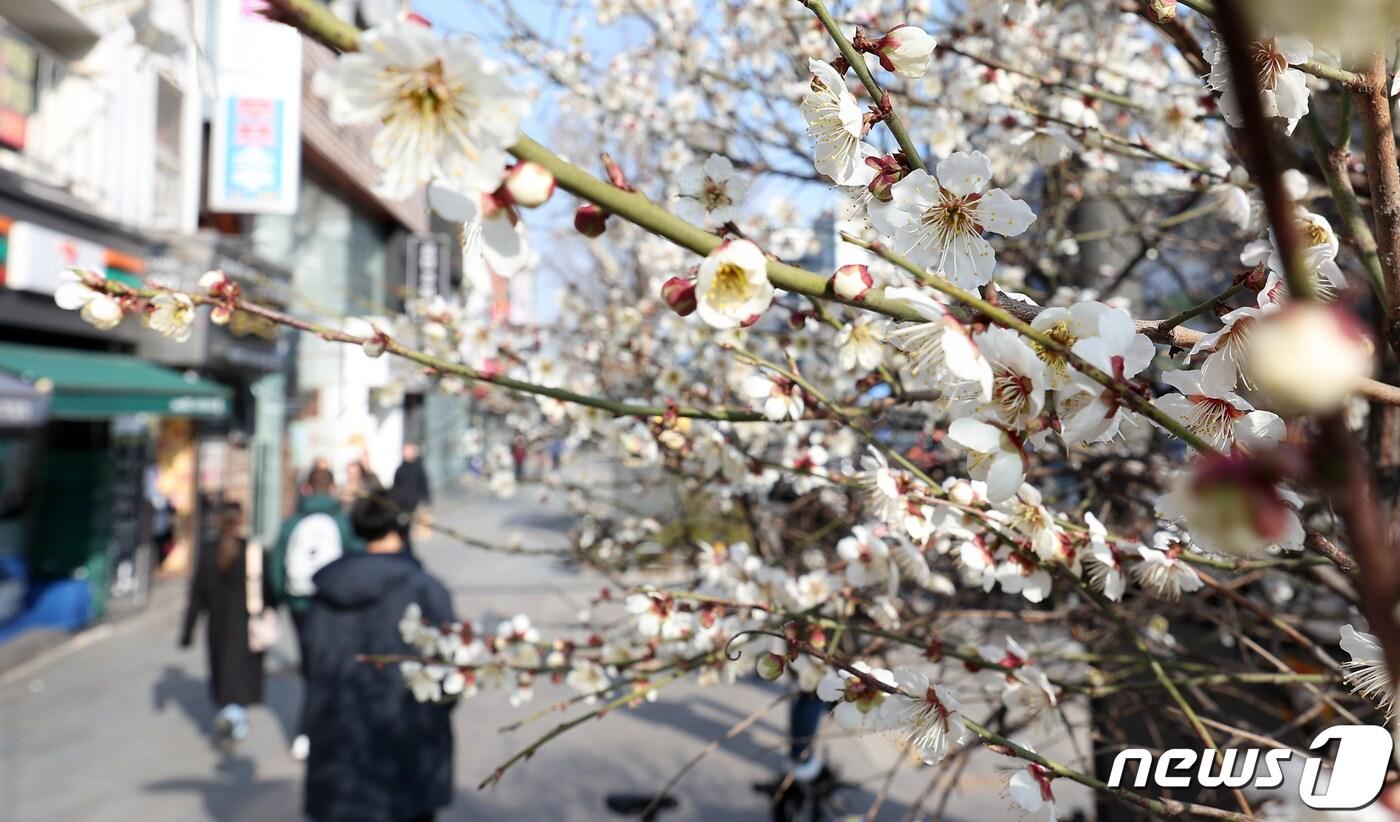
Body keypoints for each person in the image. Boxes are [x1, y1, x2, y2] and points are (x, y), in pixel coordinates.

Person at [301, 491, 456, 822]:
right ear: (399, 527)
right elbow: (452, 674)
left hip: (338, 749)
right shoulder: (425, 589)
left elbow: (313, 661)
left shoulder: (327, 590)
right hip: (408, 753)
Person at [269, 465, 361, 761]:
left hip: (300, 605)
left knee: (312, 668)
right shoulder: (341, 523)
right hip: (331, 604)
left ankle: (307, 732)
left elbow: (276, 565)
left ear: (306, 489)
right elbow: (354, 557)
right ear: (332, 488)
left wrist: (282, 598)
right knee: (330, 668)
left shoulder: (292, 523)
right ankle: (319, 729)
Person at [179, 501, 265, 750]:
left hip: (217, 626)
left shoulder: (208, 551)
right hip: (245, 625)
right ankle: (235, 716)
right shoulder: (251, 550)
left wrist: (188, 631)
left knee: (223, 672)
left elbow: (197, 595)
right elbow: (267, 589)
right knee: (241, 673)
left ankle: (229, 713)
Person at [390, 442, 432, 552]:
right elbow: (395, 486)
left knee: (410, 528)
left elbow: (424, 484)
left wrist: (427, 500)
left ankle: (407, 548)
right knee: (403, 527)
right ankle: (405, 547)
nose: (407, 453)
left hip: (414, 503)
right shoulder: (400, 469)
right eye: (405, 451)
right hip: (401, 503)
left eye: (409, 451)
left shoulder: (418, 468)